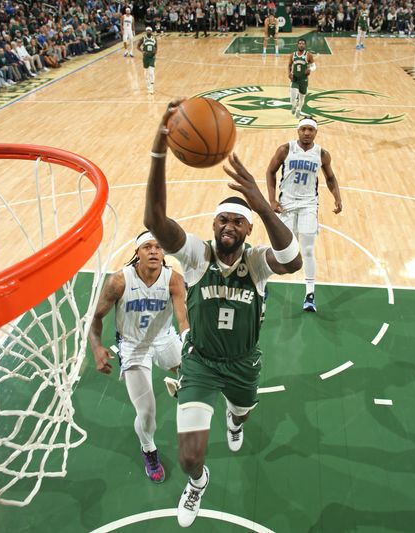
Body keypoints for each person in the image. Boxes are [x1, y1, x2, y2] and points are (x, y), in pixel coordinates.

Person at [144, 100, 302, 528]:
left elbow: (293, 261)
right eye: (221, 220)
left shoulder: (256, 262)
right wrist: (160, 147)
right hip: (200, 364)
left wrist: (263, 204)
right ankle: (197, 483)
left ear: (248, 227)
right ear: (213, 226)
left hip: (243, 364)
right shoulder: (197, 257)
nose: (227, 226)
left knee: (242, 411)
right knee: (189, 454)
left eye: (237, 220)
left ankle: (235, 418)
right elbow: (155, 220)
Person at [88, 231, 188, 483]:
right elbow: (95, 317)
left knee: (197, 380)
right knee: (146, 413)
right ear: (137, 253)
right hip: (133, 346)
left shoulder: (173, 280)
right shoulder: (119, 282)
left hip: (164, 338)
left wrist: (188, 343)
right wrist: (97, 346)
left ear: (163, 253)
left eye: (158, 247)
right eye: (147, 247)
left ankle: (183, 386)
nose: (154, 251)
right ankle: (149, 449)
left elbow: (183, 319)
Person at [265, 117, 342, 312]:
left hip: (309, 205)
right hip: (287, 205)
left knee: (307, 251)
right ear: (298, 131)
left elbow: (330, 178)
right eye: (303, 129)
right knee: (279, 249)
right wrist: (272, 199)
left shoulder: (322, 154)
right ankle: (263, 282)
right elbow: (270, 172)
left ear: (316, 132)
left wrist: (337, 197)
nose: (307, 133)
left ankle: (309, 294)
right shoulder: (285, 149)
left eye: (310, 130)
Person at [288, 38, 315, 118]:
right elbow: (289, 65)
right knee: (292, 98)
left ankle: (299, 109)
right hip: (295, 78)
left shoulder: (308, 55)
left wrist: (310, 69)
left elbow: (314, 66)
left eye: (303, 43)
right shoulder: (293, 55)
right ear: (297, 45)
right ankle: (293, 105)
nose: (301, 45)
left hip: (304, 79)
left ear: (305, 45)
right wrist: (289, 73)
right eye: (300, 43)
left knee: (301, 97)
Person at [137, 27, 157, 94]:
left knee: (151, 72)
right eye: (147, 30)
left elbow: (156, 47)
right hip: (145, 58)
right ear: (146, 31)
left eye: (149, 30)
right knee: (146, 73)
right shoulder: (143, 38)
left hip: (152, 57)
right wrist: (142, 51)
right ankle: (148, 86)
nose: (148, 31)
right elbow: (138, 46)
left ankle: (152, 87)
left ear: (151, 31)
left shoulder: (154, 38)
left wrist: (155, 53)